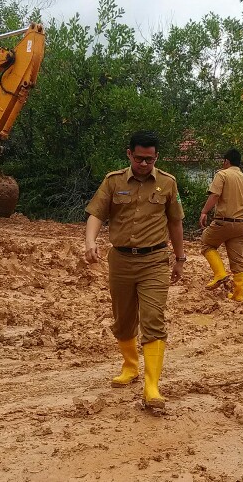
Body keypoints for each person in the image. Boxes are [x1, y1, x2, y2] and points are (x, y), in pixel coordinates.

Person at [84, 131, 186, 410]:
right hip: (121, 260)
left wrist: (180, 258)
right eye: (139, 158)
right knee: (124, 318)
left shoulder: (167, 183)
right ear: (129, 154)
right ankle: (130, 366)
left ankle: (152, 386)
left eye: (149, 159)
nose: (144, 164)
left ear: (156, 158)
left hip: (155, 261)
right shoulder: (113, 181)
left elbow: (176, 222)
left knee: (153, 319)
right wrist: (90, 241)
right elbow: (96, 213)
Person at [199, 148, 243, 302]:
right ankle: (238, 295)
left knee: (206, 243)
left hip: (223, 222)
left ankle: (220, 273)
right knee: (237, 260)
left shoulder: (222, 174)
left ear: (226, 161)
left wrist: (204, 211)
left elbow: (215, 195)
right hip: (242, 226)